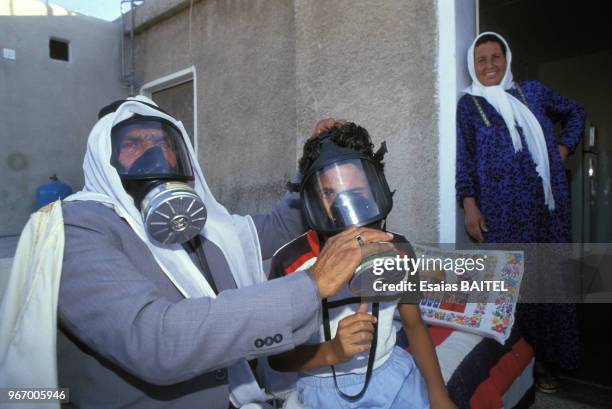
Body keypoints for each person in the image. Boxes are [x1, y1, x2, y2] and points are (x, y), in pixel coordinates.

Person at [44, 97, 394, 409]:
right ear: (105, 160)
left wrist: (317, 163)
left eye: (164, 143)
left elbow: (279, 227)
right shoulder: (76, 227)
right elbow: (155, 341)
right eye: (134, 143)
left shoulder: (203, 225)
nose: (154, 153)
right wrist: (311, 285)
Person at [268, 123, 456, 408]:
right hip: (323, 391)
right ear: (311, 199)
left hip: (392, 378)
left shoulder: (399, 250)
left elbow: (414, 326)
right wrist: (331, 351)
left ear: (375, 190)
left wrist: (440, 396)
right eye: (329, 193)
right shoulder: (291, 263)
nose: (344, 204)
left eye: (355, 191)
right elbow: (278, 358)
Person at [455, 32, 585, 393]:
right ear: (472, 66)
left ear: (506, 58)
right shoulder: (469, 105)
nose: (490, 65)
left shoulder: (533, 92)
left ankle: (544, 364)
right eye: (481, 59)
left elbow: (576, 112)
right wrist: (469, 204)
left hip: (546, 210)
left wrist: (561, 149)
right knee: (510, 289)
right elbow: (465, 158)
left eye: (496, 56)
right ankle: (510, 367)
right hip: (501, 212)